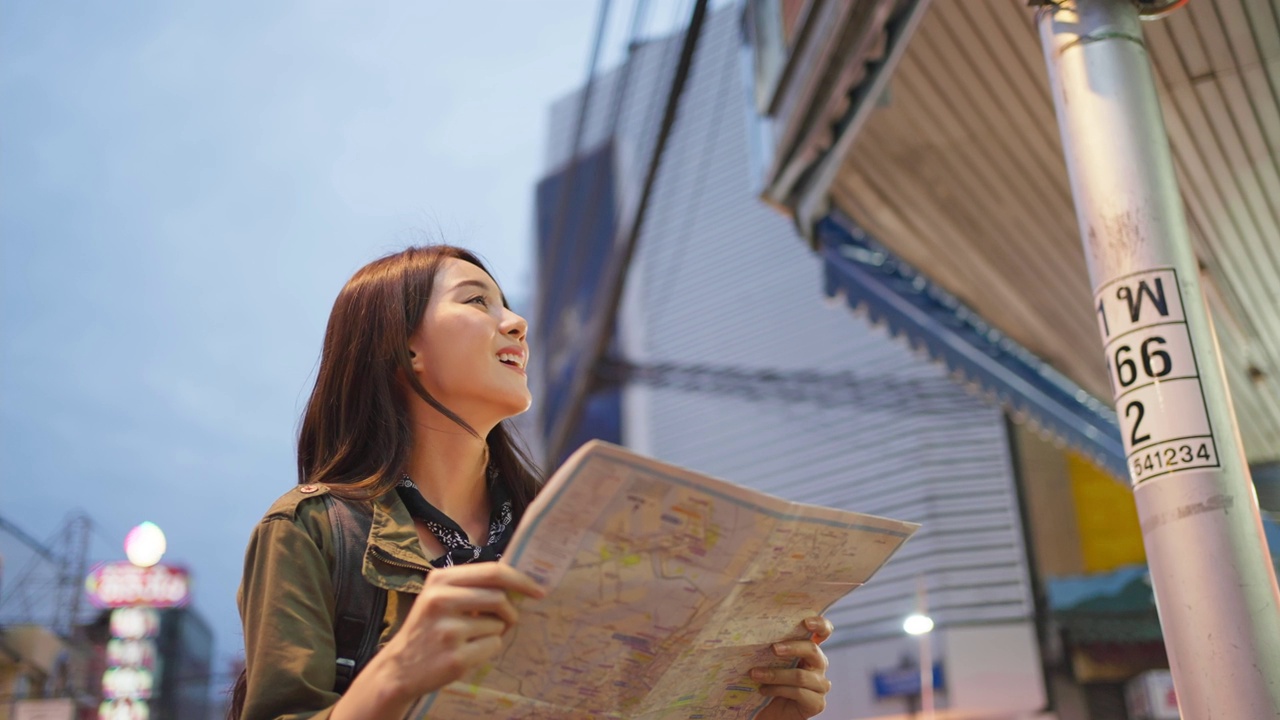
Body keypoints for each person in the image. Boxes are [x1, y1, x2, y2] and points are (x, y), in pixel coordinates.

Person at [233, 245, 834, 719]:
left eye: (508, 305)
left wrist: (756, 710)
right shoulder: (310, 531)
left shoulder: (578, 530)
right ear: (405, 347)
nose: (516, 323)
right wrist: (394, 677)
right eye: (476, 302)